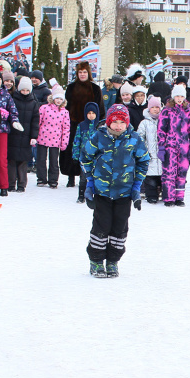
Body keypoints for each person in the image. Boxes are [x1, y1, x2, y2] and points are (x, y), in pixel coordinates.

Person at [81, 104, 150, 278]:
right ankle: (96, 261)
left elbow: (144, 161)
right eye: (114, 121)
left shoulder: (134, 139)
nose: (118, 125)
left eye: (122, 122)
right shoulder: (99, 137)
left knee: (119, 229)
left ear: (127, 123)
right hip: (102, 192)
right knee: (101, 226)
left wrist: (136, 186)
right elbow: (85, 157)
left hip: (124, 193)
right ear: (108, 122)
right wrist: (90, 181)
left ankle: (112, 261)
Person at [63, 61, 103, 188]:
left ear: (89, 73)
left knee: (89, 150)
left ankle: (86, 176)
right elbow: (66, 106)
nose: (82, 74)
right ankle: (71, 177)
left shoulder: (95, 89)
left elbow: (100, 107)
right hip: (73, 123)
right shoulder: (71, 88)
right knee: (72, 150)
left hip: (90, 124)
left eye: (84, 72)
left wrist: (99, 123)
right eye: (80, 72)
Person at [157, 85, 190, 207]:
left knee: (182, 173)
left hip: (184, 147)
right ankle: (169, 197)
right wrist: (162, 147)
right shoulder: (167, 110)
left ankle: (179, 197)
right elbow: (161, 130)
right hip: (170, 146)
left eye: (182, 96)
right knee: (169, 172)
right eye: (177, 96)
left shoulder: (188, 110)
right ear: (173, 96)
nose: (180, 99)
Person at [0, 70, 21, 197]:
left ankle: (3, 186)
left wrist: (14, 121)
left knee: (2, 159)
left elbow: (13, 110)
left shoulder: (5, 94)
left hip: (2, 129)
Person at [8, 77, 40, 193]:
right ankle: (11, 183)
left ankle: (21, 184)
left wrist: (34, 136)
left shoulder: (33, 103)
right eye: (23, 90)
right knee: (11, 160)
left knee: (23, 161)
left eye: (27, 90)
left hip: (26, 136)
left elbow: (35, 121)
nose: (25, 93)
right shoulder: (13, 100)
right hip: (13, 135)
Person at [37, 88, 71, 188]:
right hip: (42, 137)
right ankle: (41, 178)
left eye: (61, 99)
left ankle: (53, 180)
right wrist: (34, 136)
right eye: (57, 98)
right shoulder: (44, 108)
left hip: (56, 140)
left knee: (54, 161)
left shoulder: (65, 112)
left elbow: (66, 128)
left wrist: (64, 142)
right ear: (53, 98)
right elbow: (38, 122)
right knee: (41, 159)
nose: (58, 101)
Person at [72, 102, 101, 203]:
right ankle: (81, 195)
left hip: (97, 157)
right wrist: (76, 155)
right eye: (89, 113)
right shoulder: (82, 125)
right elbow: (77, 140)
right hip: (85, 157)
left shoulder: (100, 127)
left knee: (97, 177)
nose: (91, 115)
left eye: (93, 113)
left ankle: (95, 196)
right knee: (84, 177)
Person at [137, 96, 163, 204]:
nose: (156, 109)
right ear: (149, 109)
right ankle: (151, 195)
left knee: (162, 177)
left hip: (162, 156)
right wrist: (144, 149)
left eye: (158, 107)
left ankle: (162, 192)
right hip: (150, 155)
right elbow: (139, 137)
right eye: (153, 107)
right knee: (150, 179)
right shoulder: (144, 123)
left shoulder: (164, 120)